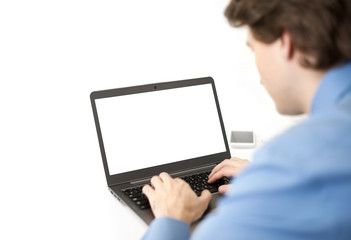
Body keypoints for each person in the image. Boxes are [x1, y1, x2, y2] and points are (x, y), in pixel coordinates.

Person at [141, 0, 351, 239]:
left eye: (253, 49)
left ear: (286, 43)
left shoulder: (293, 162)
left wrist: (172, 218)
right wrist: (270, 182)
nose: (257, 70)